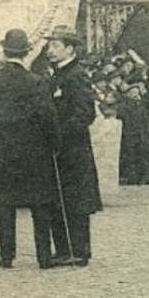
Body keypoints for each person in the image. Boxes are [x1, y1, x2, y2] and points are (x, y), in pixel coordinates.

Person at [0, 29, 63, 269]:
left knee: (5, 204)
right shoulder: (38, 82)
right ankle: (44, 256)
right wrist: (55, 143)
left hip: (2, 150)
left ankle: (7, 256)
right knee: (39, 204)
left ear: (4, 51)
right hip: (34, 150)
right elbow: (48, 117)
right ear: (27, 53)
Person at [42, 28, 103, 265]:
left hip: (73, 150)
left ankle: (79, 251)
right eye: (49, 46)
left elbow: (85, 114)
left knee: (75, 201)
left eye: (55, 46)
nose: (50, 50)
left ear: (69, 49)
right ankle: (63, 250)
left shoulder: (76, 75)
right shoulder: (57, 75)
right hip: (59, 150)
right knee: (58, 199)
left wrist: (60, 135)